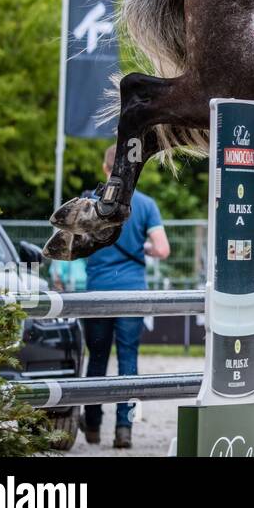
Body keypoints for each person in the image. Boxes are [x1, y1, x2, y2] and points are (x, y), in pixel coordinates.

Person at [77, 144, 170, 448]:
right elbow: (163, 249)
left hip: (97, 293)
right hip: (132, 292)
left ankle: (92, 426)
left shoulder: (88, 203)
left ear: (106, 169)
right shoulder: (145, 204)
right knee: (128, 359)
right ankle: (123, 430)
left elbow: (74, 244)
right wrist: (141, 248)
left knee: (97, 359)